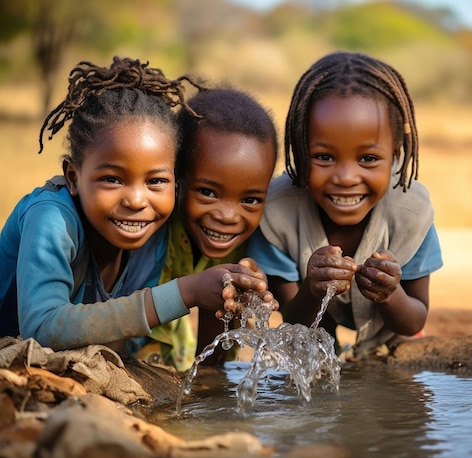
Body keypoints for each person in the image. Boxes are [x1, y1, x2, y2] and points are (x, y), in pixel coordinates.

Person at [0, 57, 272, 357]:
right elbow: (41, 329)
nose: (137, 201)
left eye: (155, 181)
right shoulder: (51, 219)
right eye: (112, 179)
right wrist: (188, 291)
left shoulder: (151, 239)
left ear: (175, 182)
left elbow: (116, 343)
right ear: (73, 176)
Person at [247, 51, 443, 360]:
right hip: (312, 333)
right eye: (324, 156)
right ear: (299, 150)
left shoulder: (411, 213)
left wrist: (390, 294)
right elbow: (293, 319)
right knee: (308, 356)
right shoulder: (278, 212)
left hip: (393, 337)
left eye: (367, 159)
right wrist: (313, 288)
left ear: (396, 152)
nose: (346, 178)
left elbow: (414, 320)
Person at [145, 86, 278, 371]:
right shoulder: (148, 229)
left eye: (250, 200)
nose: (228, 216)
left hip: (178, 353)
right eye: (208, 192)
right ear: (176, 175)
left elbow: (212, 359)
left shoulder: (243, 246)